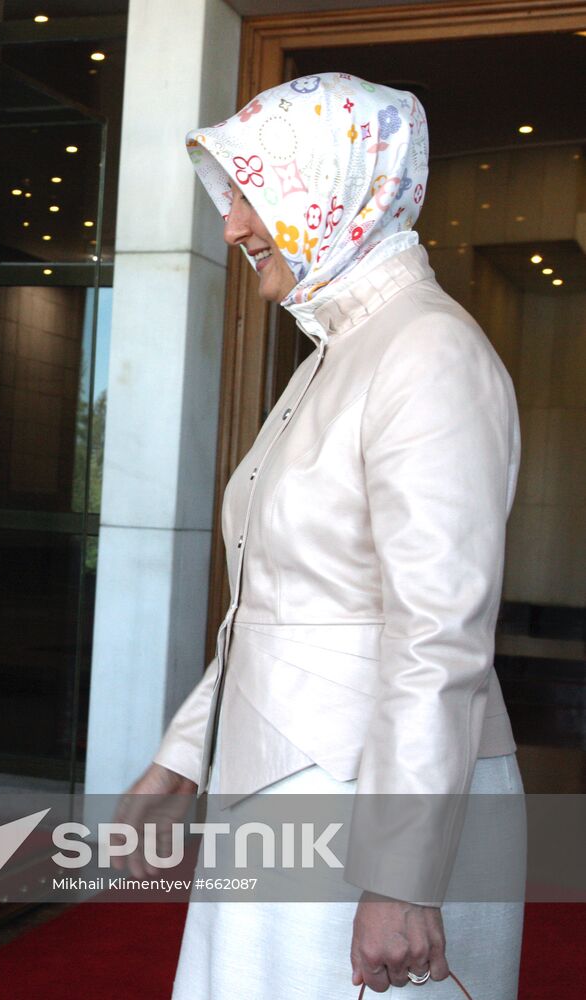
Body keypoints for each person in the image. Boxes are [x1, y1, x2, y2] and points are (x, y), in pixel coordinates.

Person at [117, 73, 523, 997]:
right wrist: (182, 757)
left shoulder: (428, 351)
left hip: (369, 809)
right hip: (288, 788)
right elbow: (274, 608)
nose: (232, 226)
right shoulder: (339, 353)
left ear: (333, 188)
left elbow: (439, 633)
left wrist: (403, 874)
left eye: (252, 194)